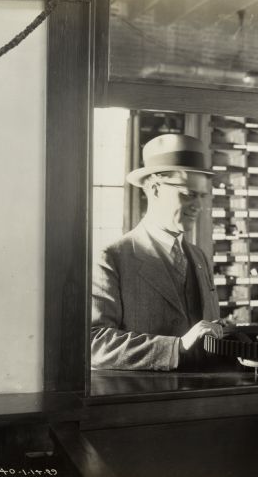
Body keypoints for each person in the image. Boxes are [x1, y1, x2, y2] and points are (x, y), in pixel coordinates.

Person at [91, 134, 223, 371]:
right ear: (154, 189)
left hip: (202, 399)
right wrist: (177, 347)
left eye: (202, 196)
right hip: (145, 400)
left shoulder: (199, 257)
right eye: (187, 194)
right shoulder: (111, 257)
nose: (198, 206)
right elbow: (94, 343)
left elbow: (209, 330)